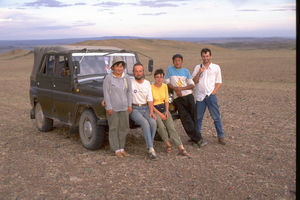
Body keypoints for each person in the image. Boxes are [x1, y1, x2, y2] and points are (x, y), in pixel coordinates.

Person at [165, 54, 207, 147]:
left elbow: (192, 85)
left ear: (182, 61)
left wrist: (181, 89)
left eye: (179, 60)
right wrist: (176, 89)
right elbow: (167, 83)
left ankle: (194, 137)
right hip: (178, 99)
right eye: (175, 60)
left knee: (193, 117)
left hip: (188, 96)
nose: (177, 62)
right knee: (185, 119)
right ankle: (199, 139)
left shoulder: (186, 71)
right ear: (173, 62)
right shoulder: (170, 70)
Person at [151, 69, 191, 157]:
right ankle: (167, 143)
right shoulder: (151, 87)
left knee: (171, 127)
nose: (159, 79)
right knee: (161, 126)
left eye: (161, 77)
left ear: (163, 77)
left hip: (164, 109)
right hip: (155, 110)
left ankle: (181, 148)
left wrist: (166, 111)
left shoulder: (165, 86)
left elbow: (166, 100)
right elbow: (150, 104)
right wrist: (160, 114)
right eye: (157, 77)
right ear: (154, 78)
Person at [192, 48, 225, 145]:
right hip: (200, 97)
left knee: (216, 116)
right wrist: (199, 72)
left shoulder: (216, 67)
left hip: (210, 95)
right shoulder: (198, 67)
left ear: (210, 56)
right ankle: (197, 137)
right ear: (201, 57)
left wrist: (213, 92)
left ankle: (221, 136)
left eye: (207, 56)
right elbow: (193, 81)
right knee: (198, 118)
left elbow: (219, 82)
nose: (205, 58)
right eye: (203, 56)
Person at [103, 57, 133, 158]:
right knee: (114, 128)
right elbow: (106, 93)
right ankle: (116, 149)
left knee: (124, 128)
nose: (119, 68)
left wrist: (129, 105)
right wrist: (109, 107)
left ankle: (122, 148)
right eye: (117, 66)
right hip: (113, 108)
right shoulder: (108, 78)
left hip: (124, 107)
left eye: (121, 66)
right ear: (113, 67)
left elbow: (129, 92)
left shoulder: (126, 77)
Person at [130, 63, 158, 160]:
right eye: (136, 71)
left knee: (153, 123)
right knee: (145, 123)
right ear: (133, 72)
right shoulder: (130, 83)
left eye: (140, 71)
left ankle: (149, 144)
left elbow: (150, 99)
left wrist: (151, 111)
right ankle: (151, 149)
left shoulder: (147, 83)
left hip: (145, 108)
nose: (138, 73)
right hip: (134, 109)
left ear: (143, 72)